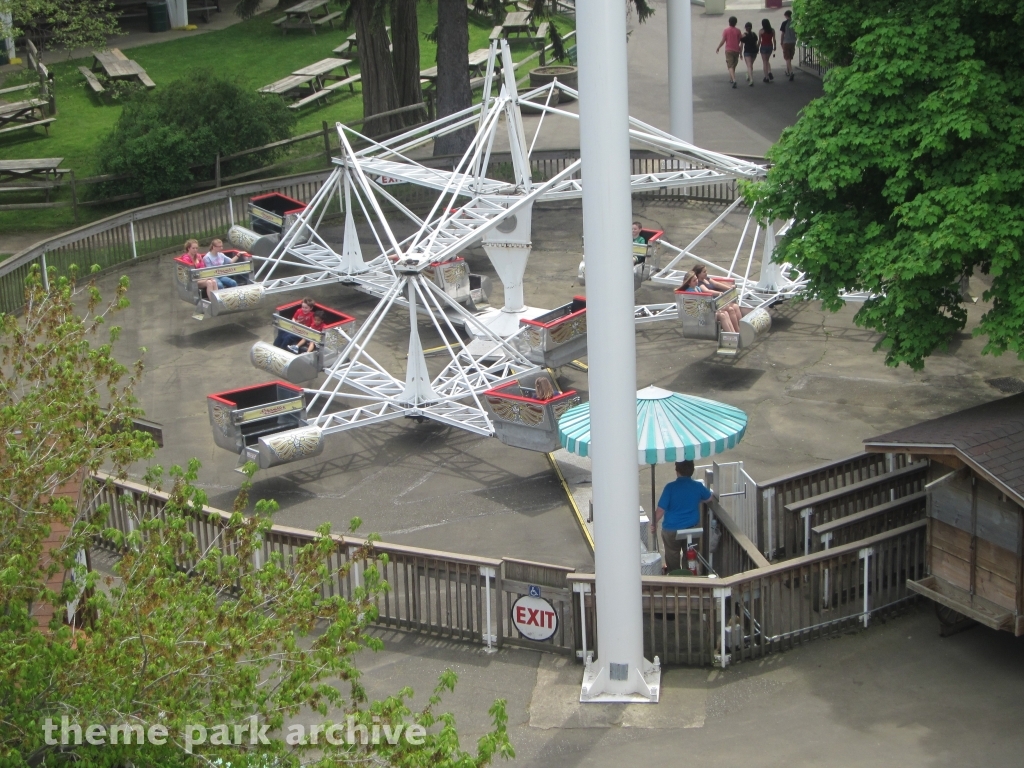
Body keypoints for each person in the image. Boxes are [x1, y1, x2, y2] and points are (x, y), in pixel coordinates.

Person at [655, 460, 712, 574]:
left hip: (672, 529)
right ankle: (689, 578)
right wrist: (696, 499)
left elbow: (661, 509)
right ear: (692, 471)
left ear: (677, 471)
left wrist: (653, 523)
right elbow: (709, 498)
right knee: (690, 555)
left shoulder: (670, 487)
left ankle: (675, 578)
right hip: (692, 528)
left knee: (672, 555)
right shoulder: (697, 486)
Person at [714, 17, 743, 89]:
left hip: (729, 50)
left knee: (730, 66)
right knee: (733, 65)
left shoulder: (726, 30)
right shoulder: (738, 31)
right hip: (736, 50)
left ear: (729, 22)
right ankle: (731, 78)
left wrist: (718, 47)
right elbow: (740, 40)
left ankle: (733, 80)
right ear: (736, 23)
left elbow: (723, 41)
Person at [740, 22, 759, 86]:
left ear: (745, 28)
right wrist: (757, 50)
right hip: (754, 51)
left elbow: (741, 45)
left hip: (747, 51)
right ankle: (748, 74)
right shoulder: (754, 34)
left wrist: (740, 53)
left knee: (749, 65)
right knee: (750, 65)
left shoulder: (744, 35)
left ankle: (751, 79)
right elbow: (756, 44)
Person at [780, 10, 797, 81]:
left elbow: (782, 34)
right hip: (793, 41)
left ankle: (791, 71)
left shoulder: (784, 23)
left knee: (787, 58)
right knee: (790, 57)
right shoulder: (795, 23)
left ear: (786, 16)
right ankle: (788, 71)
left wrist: (781, 42)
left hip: (786, 42)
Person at [759, 19, 776, 83]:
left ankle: (766, 77)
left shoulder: (761, 31)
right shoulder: (772, 30)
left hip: (763, 46)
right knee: (767, 60)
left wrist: (757, 47)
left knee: (764, 62)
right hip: (770, 46)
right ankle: (769, 72)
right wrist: (775, 46)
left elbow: (759, 41)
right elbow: (774, 39)